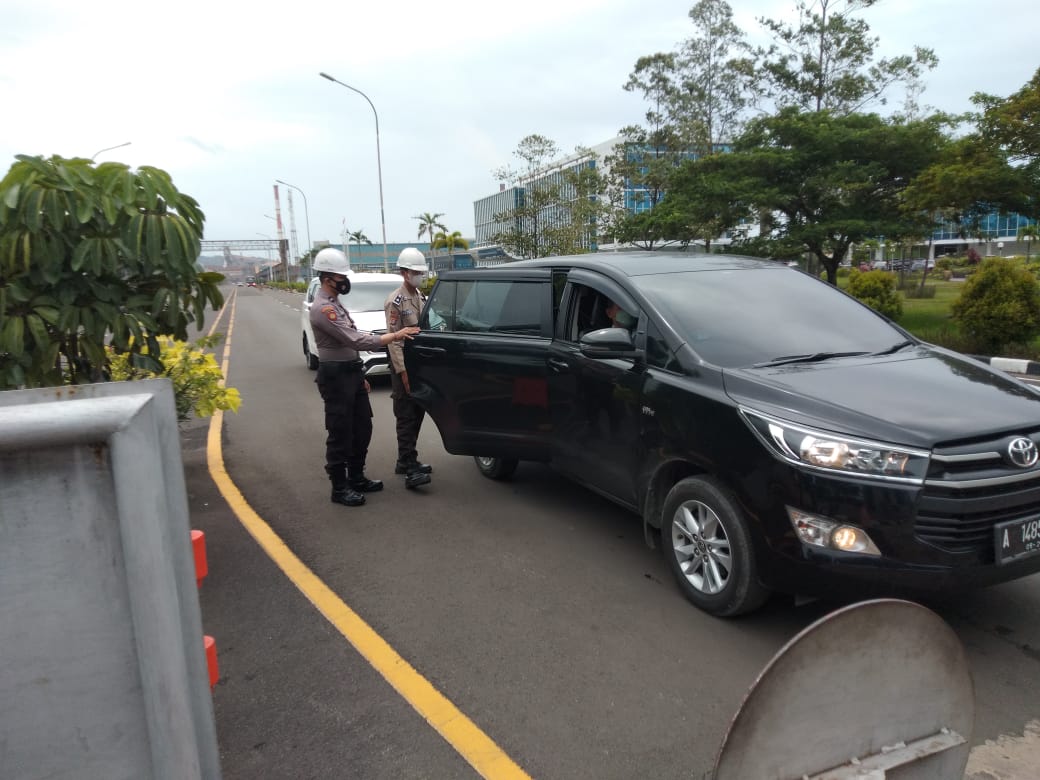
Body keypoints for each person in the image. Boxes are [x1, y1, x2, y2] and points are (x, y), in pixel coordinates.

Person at [310, 247, 419, 507]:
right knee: (340, 432)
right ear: (327, 278)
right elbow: (355, 339)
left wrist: (359, 374)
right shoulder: (323, 309)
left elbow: (350, 346)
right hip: (336, 377)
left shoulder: (335, 303)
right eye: (340, 277)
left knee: (362, 428)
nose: (344, 281)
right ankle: (339, 487)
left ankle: (356, 477)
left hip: (350, 372)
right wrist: (395, 335)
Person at [385, 247, 433, 489]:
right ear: (404, 272)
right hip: (402, 362)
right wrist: (402, 372)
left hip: (417, 363)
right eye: (415, 272)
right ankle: (409, 467)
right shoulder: (396, 300)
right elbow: (394, 339)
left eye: (421, 272)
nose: (419, 276)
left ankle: (405, 459)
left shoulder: (420, 297)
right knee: (405, 414)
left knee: (417, 411)